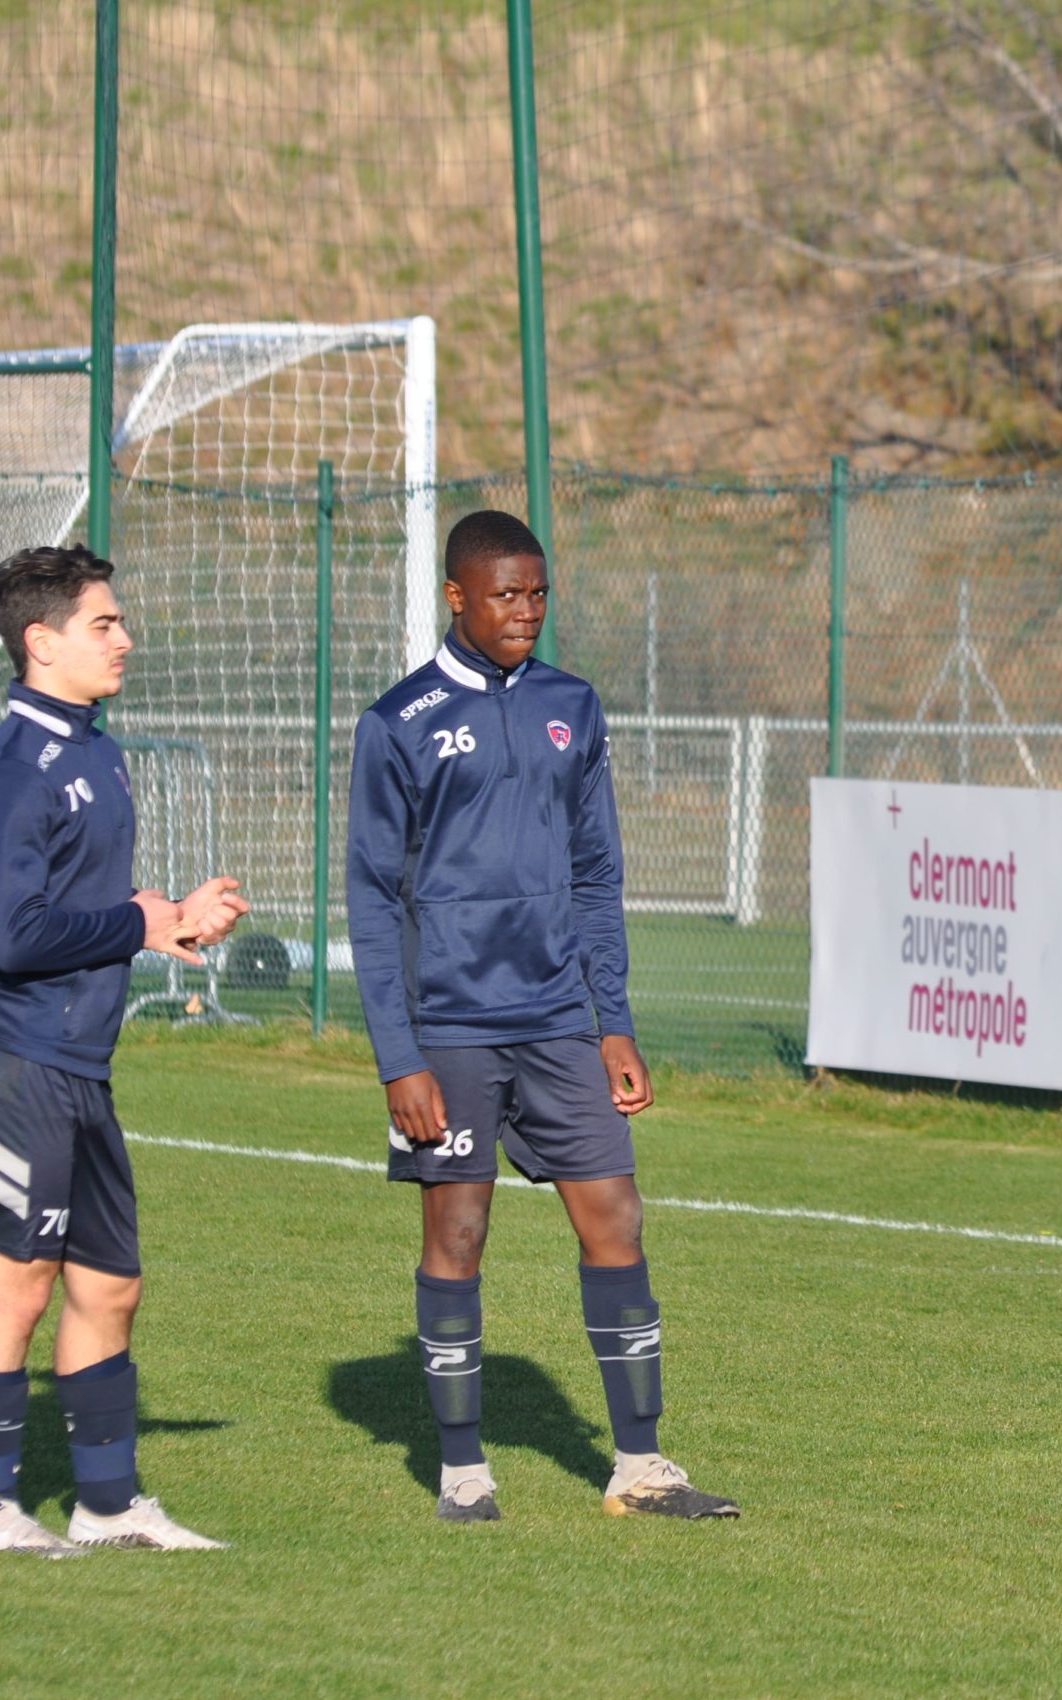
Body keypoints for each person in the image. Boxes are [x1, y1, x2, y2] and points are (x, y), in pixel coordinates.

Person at [346, 508, 735, 1525]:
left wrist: (614, 1019)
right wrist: (400, 1055)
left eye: (538, 593)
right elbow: (371, 898)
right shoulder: (400, 719)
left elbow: (598, 870)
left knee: (616, 1218)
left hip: (562, 1017)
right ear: (457, 596)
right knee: (458, 1230)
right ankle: (465, 1471)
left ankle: (642, 1463)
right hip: (451, 1027)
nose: (525, 611)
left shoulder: (574, 704)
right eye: (505, 594)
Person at [0, 544, 248, 1555]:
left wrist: (176, 923)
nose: (125, 638)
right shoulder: (6, 773)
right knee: (16, 1282)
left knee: (110, 1282)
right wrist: (137, 921)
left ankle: (108, 1505)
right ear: (43, 641)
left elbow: (101, 912)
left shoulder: (98, 754)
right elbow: (17, 936)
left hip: (79, 1068)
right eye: (104, 623)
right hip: (11, 1062)